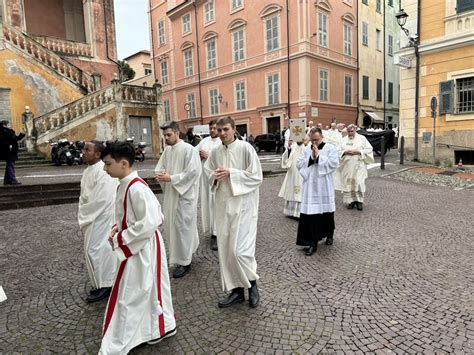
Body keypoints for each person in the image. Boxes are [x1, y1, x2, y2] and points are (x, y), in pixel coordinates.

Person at [99, 142, 176, 354]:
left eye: (107, 164)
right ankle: (154, 328)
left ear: (123, 164)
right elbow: (129, 215)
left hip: (143, 246)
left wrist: (121, 238)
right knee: (144, 288)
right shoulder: (124, 183)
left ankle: (157, 326)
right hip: (137, 244)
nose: (105, 169)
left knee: (134, 291)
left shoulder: (137, 188)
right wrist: (117, 228)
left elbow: (151, 220)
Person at [204, 117, 263, 308]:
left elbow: (256, 176)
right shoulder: (215, 152)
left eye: (225, 129)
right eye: (219, 130)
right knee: (227, 250)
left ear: (234, 129)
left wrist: (232, 173)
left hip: (244, 206)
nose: (222, 133)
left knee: (241, 251)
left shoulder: (246, 149)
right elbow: (208, 173)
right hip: (223, 205)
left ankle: (253, 286)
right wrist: (216, 176)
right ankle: (236, 291)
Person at [155, 121, 201, 278]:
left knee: (183, 228)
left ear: (176, 133)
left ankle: (185, 261)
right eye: (164, 135)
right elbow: (160, 167)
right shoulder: (167, 151)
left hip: (184, 196)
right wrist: (160, 175)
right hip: (171, 195)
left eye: (168, 135)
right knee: (173, 227)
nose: (166, 138)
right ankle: (180, 256)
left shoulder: (189, 150)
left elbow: (193, 173)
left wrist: (171, 178)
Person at [78, 141, 118, 303]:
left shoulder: (103, 171)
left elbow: (103, 199)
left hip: (102, 217)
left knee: (100, 250)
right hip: (92, 216)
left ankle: (107, 284)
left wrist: (85, 214)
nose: (83, 152)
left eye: (87, 149)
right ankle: (99, 283)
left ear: (97, 154)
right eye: (84, 149)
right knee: (92, 250)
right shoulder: (89, 170)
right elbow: (85, 196)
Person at [296, 127, 339, 256]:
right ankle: (311, 243)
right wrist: (311, 158)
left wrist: (318, 157)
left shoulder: (330, 148)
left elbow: (334, 164)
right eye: (312, 140)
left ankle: (329, 234)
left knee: (327, 212)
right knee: (311, 215)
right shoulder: (306, 149)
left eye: (317, 140)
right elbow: (299, 164)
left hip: (324, 185)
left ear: (322, 137)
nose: (314, 143)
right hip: (310, 186)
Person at [195, 119, 221, 250]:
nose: (212, 130)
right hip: (205, 182)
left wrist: (209, 155)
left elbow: (224, 159)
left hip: (217, 181)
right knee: (208, 206)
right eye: (211, 128)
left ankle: (217, 235)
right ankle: (212, 231)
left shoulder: (222, 142)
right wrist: (198, 156)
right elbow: (192, 155)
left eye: (215, 128)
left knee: (217, 206)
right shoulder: (203, 142)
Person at [335, 124, 374, 211]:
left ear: (355, 130)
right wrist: (345, 152)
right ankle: (351, 201)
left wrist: (359, 151)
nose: (350, 133)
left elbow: (369, 149)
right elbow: (337, 151)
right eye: (348, 132)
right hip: (347, 166)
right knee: (349, 184)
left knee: (359, 183)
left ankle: (359, 202)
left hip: (359, 165)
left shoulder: (362, 139)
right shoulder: (343, 140)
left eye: (351, 131)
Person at [278, 139, 306, 218]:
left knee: (299, 191)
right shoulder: (293, 146)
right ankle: (290, 212)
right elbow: (287, 158)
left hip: (300, 172)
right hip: (292, 172)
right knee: (291, 190)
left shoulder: (305, 147)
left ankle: (298, 213)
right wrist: (289, 148)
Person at [0, 120, 25, 185]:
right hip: (9, 151)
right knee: (11, 166)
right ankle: (12, 180)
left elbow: (16, 138)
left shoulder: (8, 131)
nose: (10, 125)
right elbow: (12, 139)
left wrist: (21, 134)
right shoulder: (5, 132)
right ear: (4, 125)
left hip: (10, 151)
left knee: (9, 166)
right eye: (8, 125)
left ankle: (7, 180)